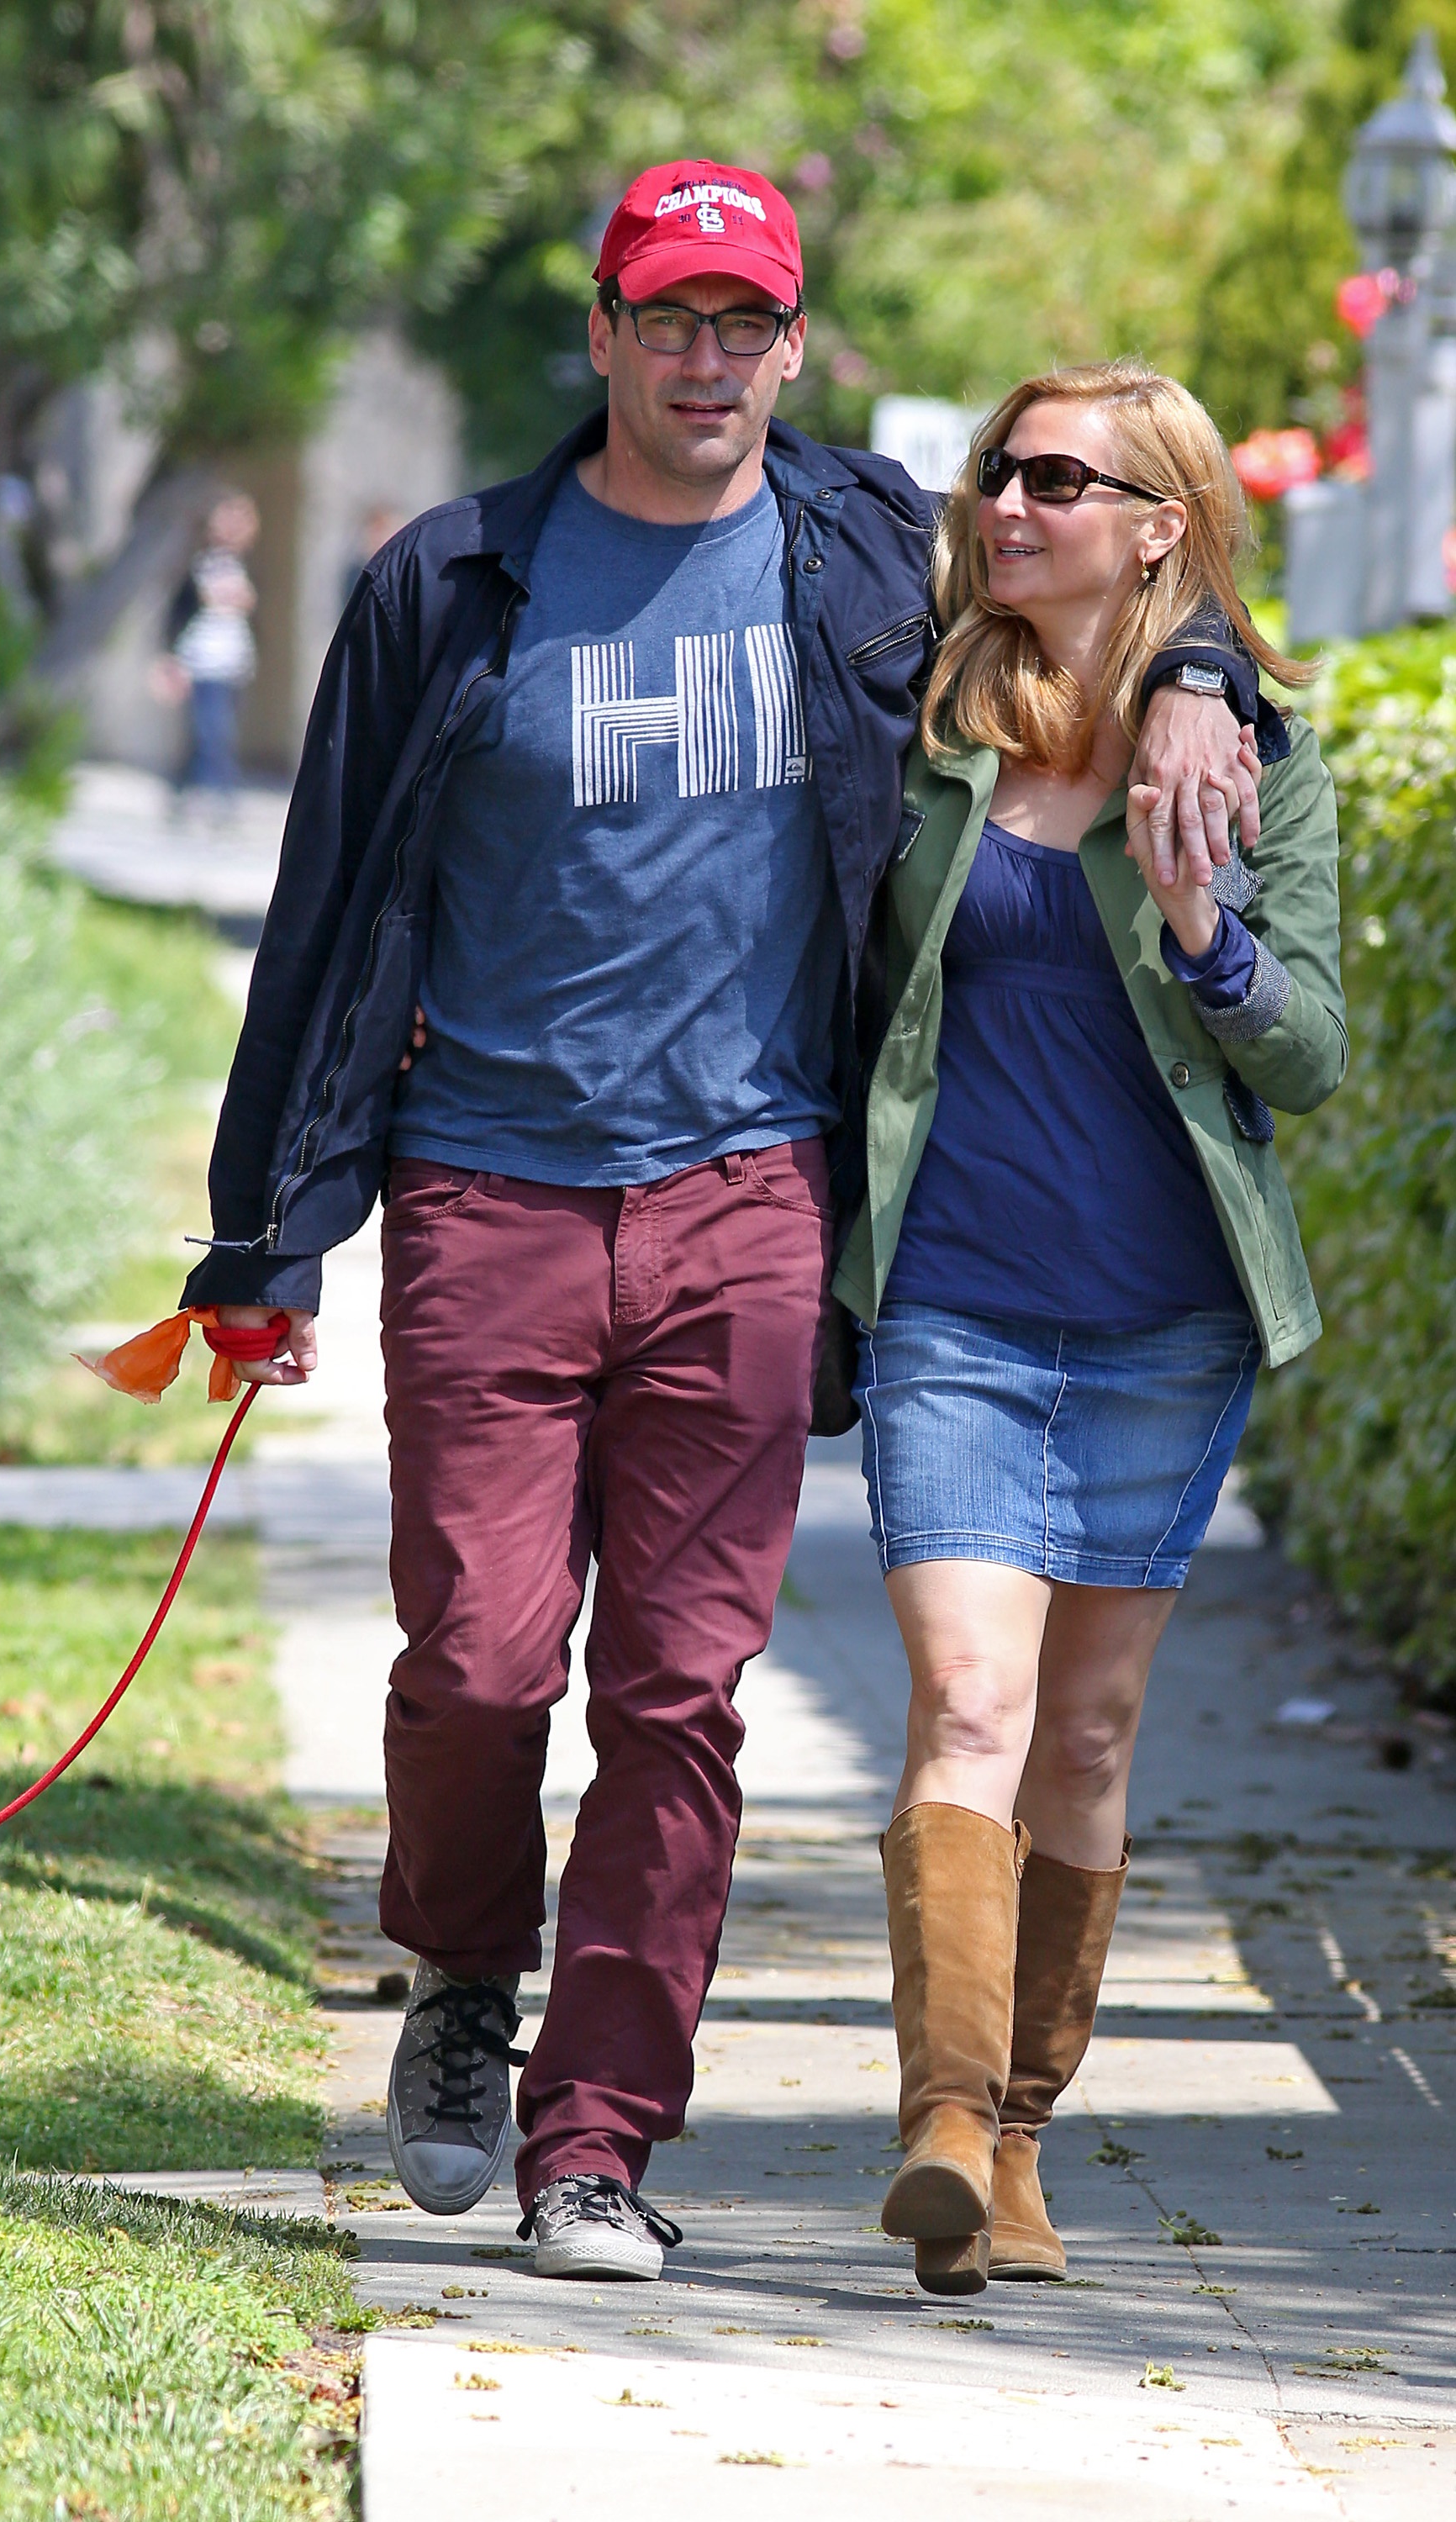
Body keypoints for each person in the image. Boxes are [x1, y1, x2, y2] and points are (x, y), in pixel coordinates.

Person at [181, 163, 1261, 2285]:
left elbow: (1104, 565)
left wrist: (1215, 669)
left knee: (682, 1690)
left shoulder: (864, 548)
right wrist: (264, 1235)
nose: (707, 359)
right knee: (481, 1670)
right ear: (598, 335)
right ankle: (466, 1975)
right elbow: (322, 916)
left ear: (790, 342)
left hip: (750, 1201)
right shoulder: (452, 581)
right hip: (484, 1189)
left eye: (744, 323)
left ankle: (595, 2139)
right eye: (669, 320)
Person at [831, 362, 1346, 2297]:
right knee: (972, 1698)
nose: (1010, 499)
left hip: (1164, 1327)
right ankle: (947, 2117)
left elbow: (1311, 1058)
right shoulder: (919, 726)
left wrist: (1212, 933)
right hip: (954, 1302)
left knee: (1095, 1724)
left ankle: (1029, 2137)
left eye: (1063, 478)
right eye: (1001, 469)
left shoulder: (1250, 762)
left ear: (1158, 527)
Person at [157, 491, 260, 799]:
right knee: (210, 730)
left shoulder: (245, 567)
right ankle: (215, 794)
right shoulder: (198, 564)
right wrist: (170, 661)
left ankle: (190, 791)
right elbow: (177, 613)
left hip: (234, 662)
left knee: (219, 731)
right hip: (202, 660)